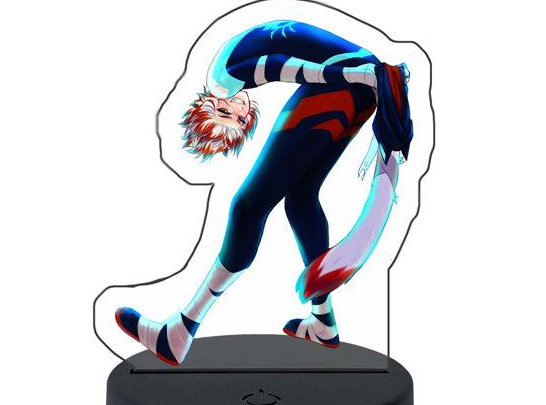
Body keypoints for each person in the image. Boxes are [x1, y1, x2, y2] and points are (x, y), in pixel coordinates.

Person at [115, 20, 412, 365]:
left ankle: (181, 330)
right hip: (359, 84)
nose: (239, 110)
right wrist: (362, 76)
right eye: (238, 120)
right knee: (301, 200)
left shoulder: (221, 77)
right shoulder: (234, 72)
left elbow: (282, 68)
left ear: (208, 101)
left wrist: (356, 75)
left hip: (349, 79)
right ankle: (322, 322)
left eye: (224, 111)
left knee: (248, 206)